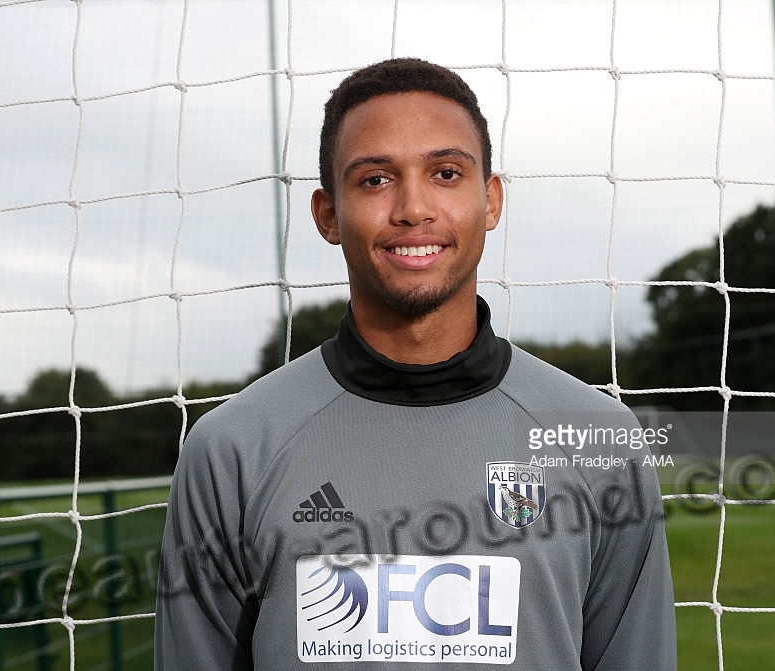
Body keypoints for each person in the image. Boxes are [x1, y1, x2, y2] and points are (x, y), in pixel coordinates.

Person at [155, 57, 676, 670]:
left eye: (446, 173)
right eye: (375, 180)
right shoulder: (234, 448)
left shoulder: (597, 439)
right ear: (327, 215)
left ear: (491, 199)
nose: (413, 208)